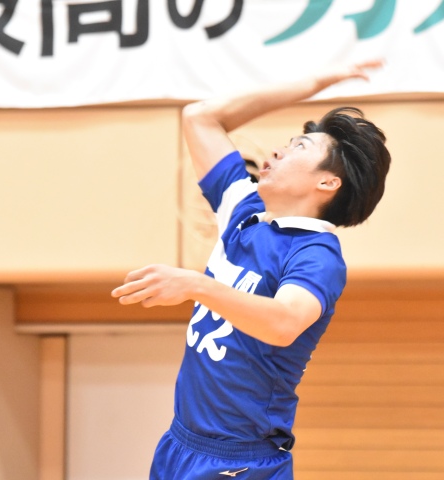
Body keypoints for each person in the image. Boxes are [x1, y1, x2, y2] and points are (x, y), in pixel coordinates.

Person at [111, 60, 391, 479]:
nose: (278, 151)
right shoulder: (243, 211)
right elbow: (200, 117)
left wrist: (195, 285)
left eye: (299, 147)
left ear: (328, 183)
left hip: (239, 461)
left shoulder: (316, 255)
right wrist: (315, 81)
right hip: (179, 443)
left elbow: (284, 323)